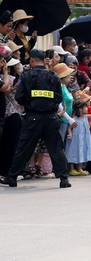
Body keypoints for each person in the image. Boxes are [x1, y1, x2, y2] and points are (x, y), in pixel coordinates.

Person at [1, 48, 72, 188]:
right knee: (56, 148)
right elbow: (59, 97)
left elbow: (19, 97)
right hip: (51, 118)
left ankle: (12, 177)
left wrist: (29, 103)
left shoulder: (26, 76)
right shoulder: (54, 76)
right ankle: (64, 178)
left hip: (33, 117)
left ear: (32, 60)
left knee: (24, 148)